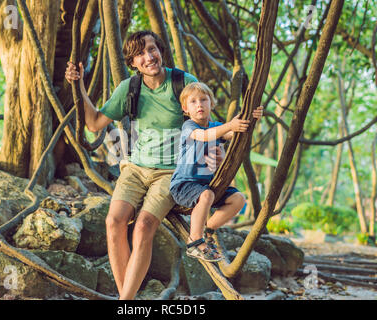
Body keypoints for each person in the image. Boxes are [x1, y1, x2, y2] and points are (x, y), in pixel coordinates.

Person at [65, 30, 224, 299]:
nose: (149, 57)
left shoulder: (182, 82)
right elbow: (93, 123)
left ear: (160, 50)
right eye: (140, 54)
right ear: (133, 63)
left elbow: (204, 123)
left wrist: (214, 154)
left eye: (152, 49)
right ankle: (128, 297)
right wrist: (78, 85)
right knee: (113, 222)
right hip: (135, 169)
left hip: (172, 173)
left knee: (142, 226)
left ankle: (125, 302)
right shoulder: (129, 88)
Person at [169, 82, 263, 262]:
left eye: (203, 100)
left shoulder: (215, 126)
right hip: (184, 184)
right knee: (206, 196)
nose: (199, 105)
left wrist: (251, 117)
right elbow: (206, 135)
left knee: (238, 199)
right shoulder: (189, 127)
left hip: (208, 186)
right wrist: (230, 125)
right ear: (185, 108)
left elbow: (233, 133)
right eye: (193, 101)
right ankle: (194, 241)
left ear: (212, 104)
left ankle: (209, 230)